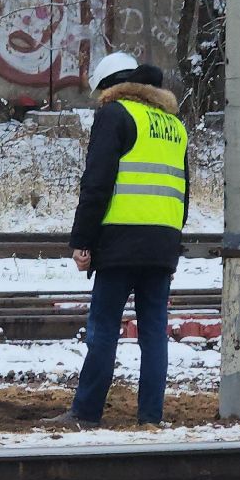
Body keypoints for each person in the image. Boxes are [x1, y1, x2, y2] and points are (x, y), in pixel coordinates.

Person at [42, 50, 188, 430]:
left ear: (112, 87)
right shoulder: (174, 124)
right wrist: (171, 242)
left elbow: (97, 183)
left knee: (103, 329)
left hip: (120, 241)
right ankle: (150, 417)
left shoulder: (115, 115)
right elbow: (182, 192)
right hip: (162, 245)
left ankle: (86, 412)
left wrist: (82, 241)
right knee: (154, 333)